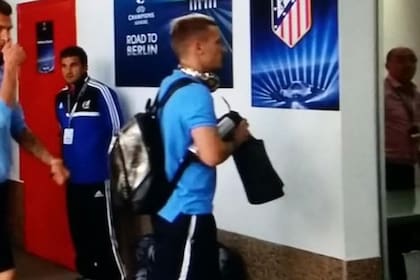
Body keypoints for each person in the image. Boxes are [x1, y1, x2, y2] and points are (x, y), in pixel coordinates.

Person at [151, 14, 250, 280]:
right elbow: (211, 154)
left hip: (167, 206)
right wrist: (237, 139)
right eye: (218, 42)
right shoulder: (196, 94)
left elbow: (186, 143)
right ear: (198, 47)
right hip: (188, 209)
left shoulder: (169, 85)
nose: (223, 49)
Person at [0, 1, 69, 279]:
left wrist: (50, 159)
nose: (6, 37)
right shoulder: (9, 75)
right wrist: (14, 68)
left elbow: (18, 129)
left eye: (9, 29)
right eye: (0, 30)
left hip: (1, 187)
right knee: (7, 272)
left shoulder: (4, 76)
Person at [54, 46, 124, 280]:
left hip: (98, 178)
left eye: (73, 65)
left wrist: (109, 169)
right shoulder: (60, 98)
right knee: (80, 234)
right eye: (64, 66)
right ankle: (88, 275)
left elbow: (118, 132)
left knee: (103, 237)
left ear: (84, 66)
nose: (68, 71)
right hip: (73, 179)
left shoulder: (101, 93)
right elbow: (64, 132)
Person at [384, 47, 420, 280]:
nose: (408, 65)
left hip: (409, 167)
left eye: (413, 60)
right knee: (391, 233)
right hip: (387, 169)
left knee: (408, 226)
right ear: (388, 65)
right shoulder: (380, 93)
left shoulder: (415, 93)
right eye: (401, 60)